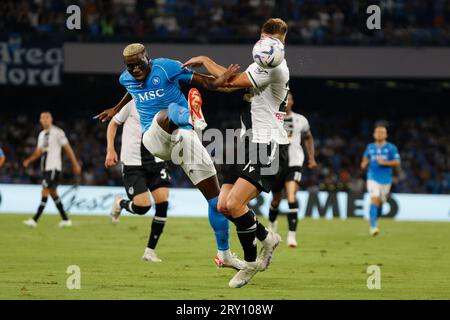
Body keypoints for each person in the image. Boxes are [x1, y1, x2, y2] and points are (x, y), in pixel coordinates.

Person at [94, 43, 245, 270]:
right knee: (167, 112)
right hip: (154, 138)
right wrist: (116, 109)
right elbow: (131, 90)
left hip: (185, 138)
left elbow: (207, 83)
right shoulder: (125, 78)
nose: (135, 71)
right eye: (130, 67)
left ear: (149, 59)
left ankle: (224, 254)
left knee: (216, 202)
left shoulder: (167, 68)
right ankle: (192, 117)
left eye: (139, 65)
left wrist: (220, 79)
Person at [183, 18, 290, 288]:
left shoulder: (274, 66)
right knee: (223, 205)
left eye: (272, 41)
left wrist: (201, 67)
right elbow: (229, 79)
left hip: (267, 145)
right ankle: (268, 237)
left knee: (233, 205)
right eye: (263, 39)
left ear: (282, 42)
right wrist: (207, 60)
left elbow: (227, 84)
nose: (267, 44)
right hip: (245, 143)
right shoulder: (261, 62)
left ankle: (251, 263)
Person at [105, 99, 171, 262]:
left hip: (156, 160)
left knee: (163, 203)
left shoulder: (165, 100)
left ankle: (149, 251)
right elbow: (113, 123)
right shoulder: (132, 102)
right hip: (133, 162)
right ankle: (120, 203)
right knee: (142, 208)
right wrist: (110, 150)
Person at [268, 92, 317, 248]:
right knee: (276, 199)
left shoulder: (301, 120)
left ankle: (291, 237)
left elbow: (308, 137)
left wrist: (311, 157)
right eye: (284, 99)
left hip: (295, 161)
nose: (286, 102)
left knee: (291, 196)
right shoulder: (272, 117)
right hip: (276, 163)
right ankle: (272, 228)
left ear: (292, 102)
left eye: (289, 99)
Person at [23, 111, 81, 228]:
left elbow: (68, 149)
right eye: (42, 117)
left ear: (51, 119)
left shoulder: (58, 132)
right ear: (40, 120)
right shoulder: (41, 135)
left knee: (44, 190)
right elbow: (39, 151)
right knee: (53, 193)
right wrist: (29, 160)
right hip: (45, 169)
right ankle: (65, 219)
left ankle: (34, 220)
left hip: (53, 167)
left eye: (47, 117)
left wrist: (75, 164)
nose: (45, 119)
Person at [360, 125, 401, 236]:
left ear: (386, 135)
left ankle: (375, 220)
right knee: (374, 200)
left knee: (380, 203)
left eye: (382, 132)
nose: (379, 134)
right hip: (372, 178)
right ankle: (373, 227)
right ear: (374, 134)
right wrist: (364, 163)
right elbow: (365, 158)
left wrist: (385, 163)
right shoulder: (370, 147)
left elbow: (397, 162)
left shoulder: (391, 148)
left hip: (386, 180)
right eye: (377, 132)